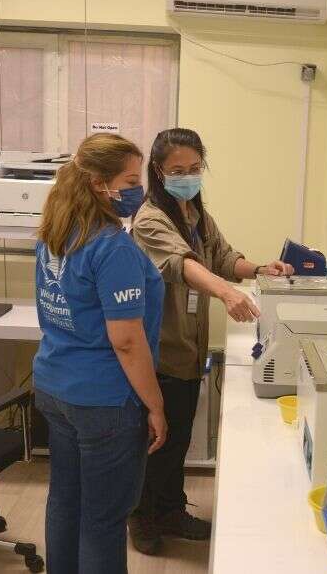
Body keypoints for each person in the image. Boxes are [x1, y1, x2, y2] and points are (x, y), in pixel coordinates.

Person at [128, 128, 294, 554]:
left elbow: (222, 257)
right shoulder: (150, 219)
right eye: (178, 171)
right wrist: (225, 291)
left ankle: (169, 509)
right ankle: (142, 519)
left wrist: (260, 269)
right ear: (159, 172)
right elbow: (181, 264)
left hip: (188, 349)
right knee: (157, 441)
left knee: (178, 437)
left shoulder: (194, 212)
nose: (188, 176)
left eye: (195, 168)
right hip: (161, 350)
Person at [32, 133, 167, 573]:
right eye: (130, 180)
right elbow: (127, 341)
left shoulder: (54, 233)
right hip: (105, 402)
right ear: (98, 184)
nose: (137, 189)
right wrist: (156, 405)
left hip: (56, 389)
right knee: (104, 519)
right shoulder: (113, 247)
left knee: (66, 503)